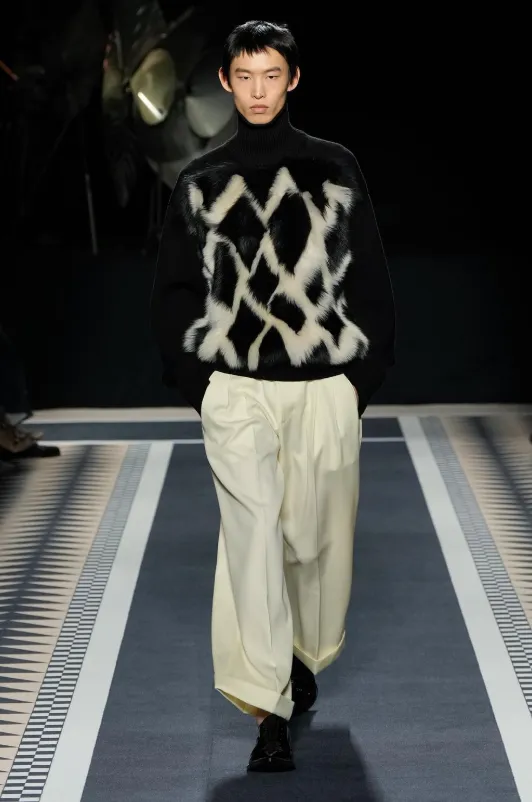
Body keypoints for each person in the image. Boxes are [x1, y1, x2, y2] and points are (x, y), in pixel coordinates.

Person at [151, 20, 395, 773]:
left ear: (293, 79)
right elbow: (173, 291)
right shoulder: (200, 181)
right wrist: (202, 388)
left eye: (272, 75)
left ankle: (299, 655)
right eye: (245, 76)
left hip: (323, 387)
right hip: (237, 392)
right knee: (252, 541)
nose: (258, 90)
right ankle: (269, 710)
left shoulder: (335, 167)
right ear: (226, 82)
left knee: (316, 545)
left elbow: (369, 279)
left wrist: (358, 384)